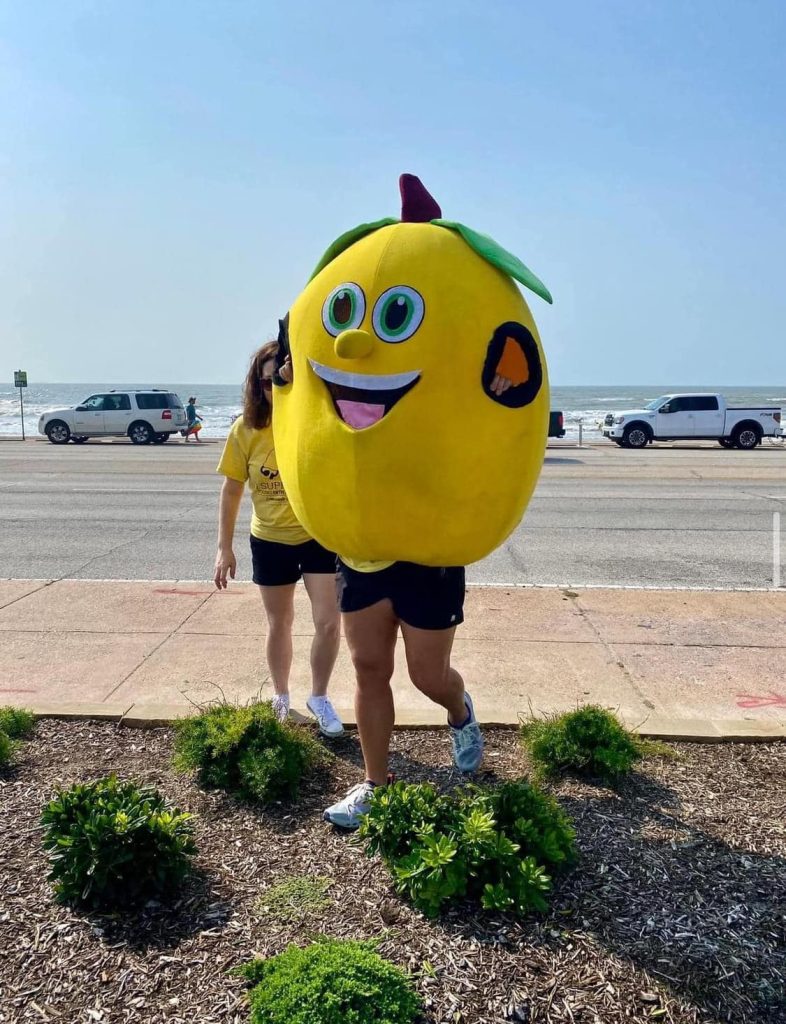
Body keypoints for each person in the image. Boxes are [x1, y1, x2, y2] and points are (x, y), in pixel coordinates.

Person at [213, 343, 343, 736]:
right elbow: (232, 490)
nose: (275, 388)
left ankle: (319, 696)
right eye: (268, 382)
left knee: (328, 622)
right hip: (269, 540)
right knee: (280, 622)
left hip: (317, 536)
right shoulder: (245, 430)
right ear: (257, 384)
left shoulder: (316, 420)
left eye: (283, 379)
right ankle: (281, 696)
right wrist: (224, 547)